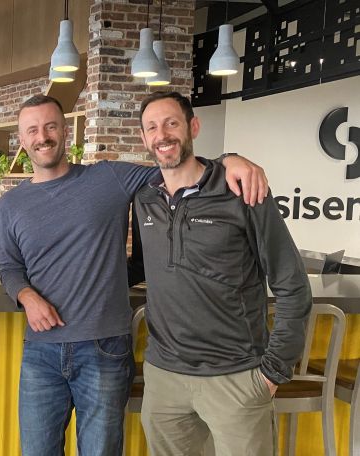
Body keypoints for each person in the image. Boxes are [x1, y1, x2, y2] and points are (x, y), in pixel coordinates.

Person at [0, 94, 269, 456]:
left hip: (104, 348)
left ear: (65, 131)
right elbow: (9, 267)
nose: (42, 136)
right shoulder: (11, 203)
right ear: (21, 139)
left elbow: (176, 162)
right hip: (40, 352)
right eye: (32, 130)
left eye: (50, 126)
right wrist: (26, 297)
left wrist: (228, 159)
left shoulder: (109, 178)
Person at [133, 91, 312, 455]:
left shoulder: (241, 191)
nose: (162, 135)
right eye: (152, 127)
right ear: (143, 138)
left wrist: (273, 372)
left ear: (193, 126)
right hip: (165, 377)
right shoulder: (144, 198)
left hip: (236, 378)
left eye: (171, 123)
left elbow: (291, 283)